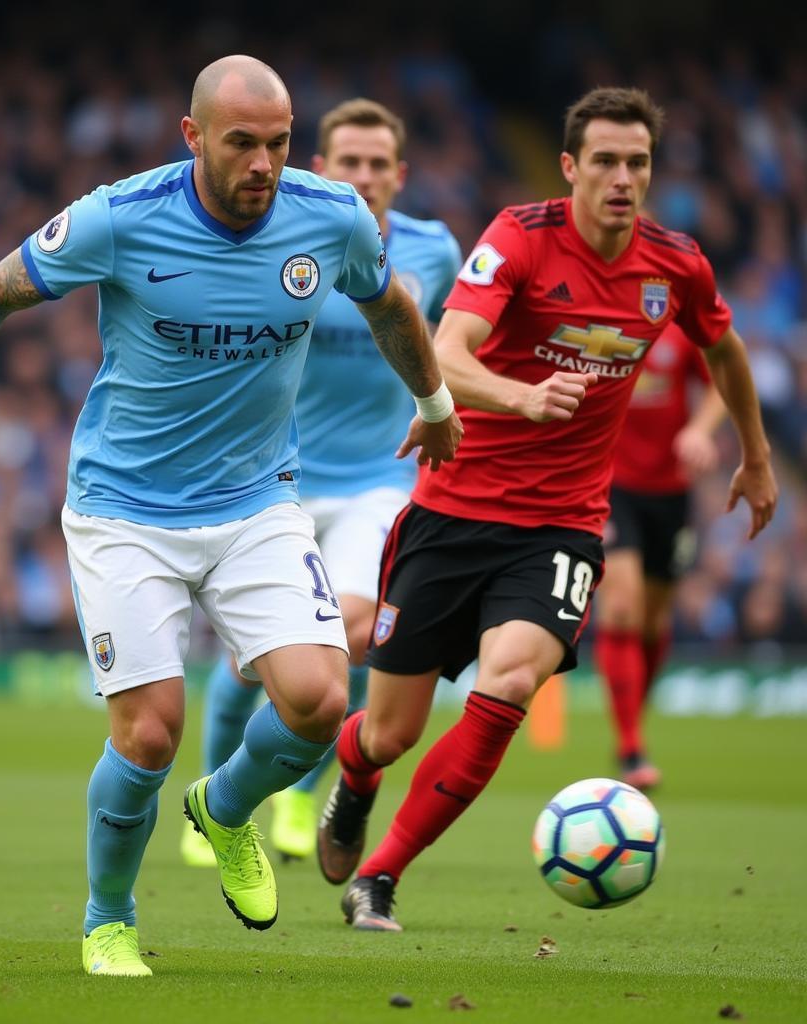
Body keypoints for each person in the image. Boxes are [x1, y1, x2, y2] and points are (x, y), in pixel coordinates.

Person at [0, 55, 462, 976]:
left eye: (278, 144)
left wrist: (433, 407)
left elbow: (390, 310)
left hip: (258, 498)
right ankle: (108, 917)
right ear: (192, 138)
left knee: (319, 699)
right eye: (241, 144)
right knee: (149, 733)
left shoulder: (330, 218)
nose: (264, 164)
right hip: (124, 511)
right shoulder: (122, 217)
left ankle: (222, 809)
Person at [316, 86, 778, 932]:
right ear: (570, 167)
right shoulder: (518, 240)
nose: (621, 178)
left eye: (636, 162)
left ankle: (378, 878)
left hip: (560, 526)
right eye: (604, 160)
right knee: (388, 732)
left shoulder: (675, 262)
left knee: (513, 682)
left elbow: (725, 345)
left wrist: (754, 451)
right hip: (451, 514)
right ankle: (353, 782)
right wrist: (520, 398)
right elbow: (444, 360)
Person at [181, 98, 463, 868]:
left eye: (379, 165)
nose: (365, 177)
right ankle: (215, 793)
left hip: (380, 479)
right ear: (322, 170)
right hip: (280, 475)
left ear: (400, 176)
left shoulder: (435, 253)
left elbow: (456, 346)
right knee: (250, 658)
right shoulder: (283, 237)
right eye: (350, 163)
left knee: (357, 634)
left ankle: (301, 798)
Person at [595, 322, 727, 790]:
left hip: (672, 492)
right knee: (623, 606)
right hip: (610, 484)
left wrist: (699, 429)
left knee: (652, 622)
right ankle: (631, 746)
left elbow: (721, 385)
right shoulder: (602, 318)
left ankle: (631, 721)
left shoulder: (680, 326)